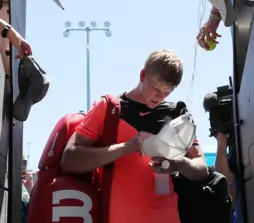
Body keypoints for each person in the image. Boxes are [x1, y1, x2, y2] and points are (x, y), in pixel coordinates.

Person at [59, 50, 208, 223]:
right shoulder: (109, 109)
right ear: (142, 75)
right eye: (156, 89)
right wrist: (126, 147)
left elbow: (201, 168)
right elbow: (69, 160)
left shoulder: (177, 114)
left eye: (167, 93)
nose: (159, 97)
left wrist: (180, 164)